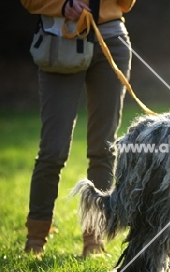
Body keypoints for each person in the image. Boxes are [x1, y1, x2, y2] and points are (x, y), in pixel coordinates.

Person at [20, 0, 136, 257]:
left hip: (111, 42)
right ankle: (35, 238)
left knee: (104, 148)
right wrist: (62, 6)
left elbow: (125, 5)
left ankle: (94, 241)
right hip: (59, 42)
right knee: (53, 149)